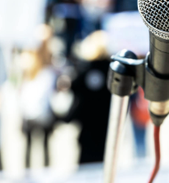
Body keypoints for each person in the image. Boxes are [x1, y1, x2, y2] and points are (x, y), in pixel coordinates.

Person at [63, 31, 111, 164]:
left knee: (86, 159)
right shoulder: (112, 69)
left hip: (87, 122)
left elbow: (74, 87)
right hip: (105, 121)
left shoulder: (85, 69)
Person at [20, 25, 57, 168]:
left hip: (42, 110)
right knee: (31, 146)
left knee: (43, 146)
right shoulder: (29, 61)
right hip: (33, 109)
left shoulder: (46, 62)